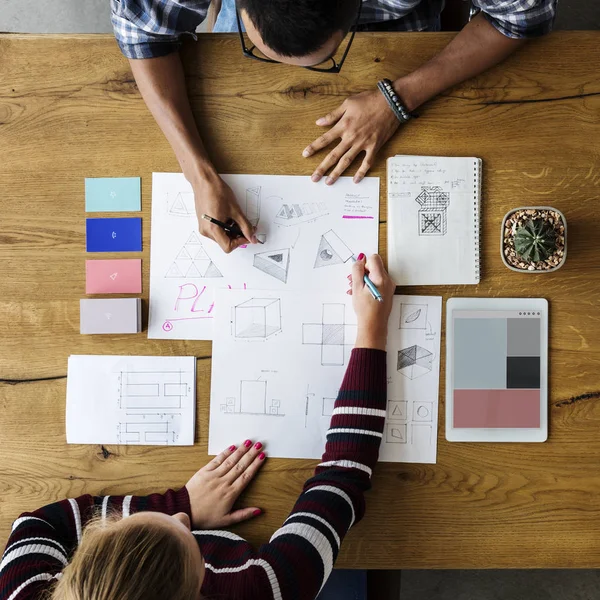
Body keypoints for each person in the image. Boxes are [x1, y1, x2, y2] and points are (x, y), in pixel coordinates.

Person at [0, 254, 394, 600]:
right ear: (202, 586)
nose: (184, 520)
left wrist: (181, 503)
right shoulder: (264, 587)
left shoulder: (27, 592)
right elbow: (344, 475)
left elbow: (35, 524)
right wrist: (372, 328)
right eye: (186, 534)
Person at [110, 0, 556, 253]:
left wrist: (397, 98)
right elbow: (139, 30)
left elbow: (521, 15)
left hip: (405, 28)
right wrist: (198, 174)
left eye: (322, 60)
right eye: (260, 47)